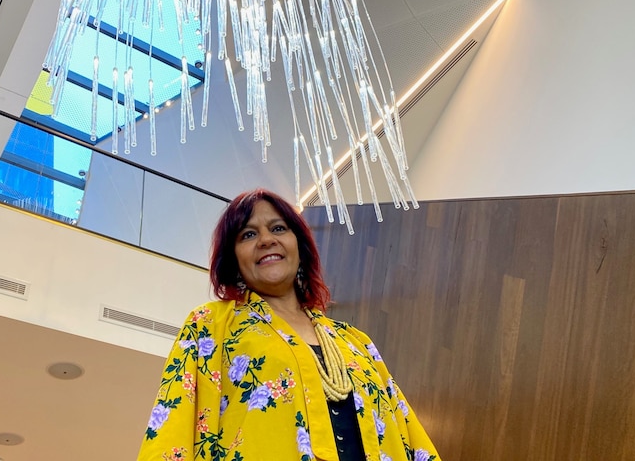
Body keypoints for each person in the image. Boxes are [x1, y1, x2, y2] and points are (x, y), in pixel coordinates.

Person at [136, 188, 439, 461]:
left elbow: (408, 433)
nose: (267, 239)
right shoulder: (210, 326)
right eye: (248, 234)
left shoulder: (356, 342)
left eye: (278, 228)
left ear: (300, 247)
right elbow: (172, 432)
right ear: (234, 259)